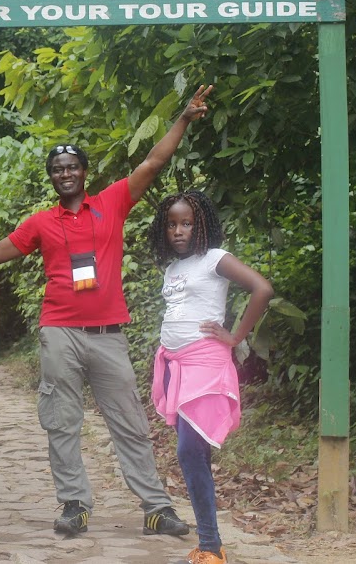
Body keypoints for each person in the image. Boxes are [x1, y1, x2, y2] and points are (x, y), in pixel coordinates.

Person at [0, 85, 214, 538]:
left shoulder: (111, 203)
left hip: (108, 334)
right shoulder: (41, 222)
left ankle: (156, 507)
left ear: (84, 172)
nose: (65, 174)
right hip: (59, 333)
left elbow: (152, 162)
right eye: (57, 169)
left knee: (128, 419)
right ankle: (74, 504)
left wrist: (184, 118)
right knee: (61, 421)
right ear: (52, 178)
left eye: (71, 167)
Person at [147, 190, 273, 564]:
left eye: (186, 223)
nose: (178, 231)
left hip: (204, 364)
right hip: (174, 366)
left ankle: (211, 547)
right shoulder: (172, 268)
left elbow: (262, 289)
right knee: (192, 452)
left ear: (201, 224)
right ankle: (208, 544)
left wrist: (236, 337)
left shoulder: (216, 259)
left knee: (189, 451)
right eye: (171, 224)